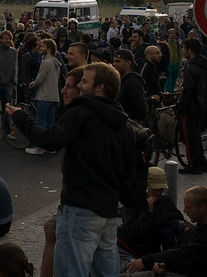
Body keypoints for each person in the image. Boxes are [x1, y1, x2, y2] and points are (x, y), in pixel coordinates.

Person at [10, 62, 137, 277]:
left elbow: (50, 140)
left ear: (100, 87)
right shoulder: (124, 126)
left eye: (84, 81)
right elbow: (127, 175)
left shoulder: (81, 114)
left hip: (80, 210)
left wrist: (21, 117)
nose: (79, 85)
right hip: (107, 213)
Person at [122, 186, 207, 277]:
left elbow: (183, 254)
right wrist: (163, 264)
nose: (185, 211)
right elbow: (177, 250)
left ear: (202, 208)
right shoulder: (198, 229)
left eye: (188, 207)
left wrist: (146, 261)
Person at [117, 167, 185, 265]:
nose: (158, 192)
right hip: (127, 248)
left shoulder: (165, 202)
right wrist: (148, 213)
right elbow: (132, 231)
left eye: (161, 189)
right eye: (155, 189)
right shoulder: (133, 203)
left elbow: (177, 219)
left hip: (149, 254)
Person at [178, 38, 207, 174]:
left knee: (189, 136)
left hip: (191, 106)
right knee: (196, 135)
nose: (183, 51)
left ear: (189, 50)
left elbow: (189, 89)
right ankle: (202, 162)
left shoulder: (191, 66)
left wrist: (181, 107)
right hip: (202, 105)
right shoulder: (205, 63)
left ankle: (193, 164)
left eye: (184, 49)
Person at [25, 38, 62, 155]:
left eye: (42, 47)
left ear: (49, 48)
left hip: (44, 96)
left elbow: (40, 79)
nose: (40, 48)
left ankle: (39, 147)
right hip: (54, 96)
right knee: (51, 123)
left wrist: (33, 84)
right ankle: (50, 147)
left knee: (40, 122)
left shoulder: (46, 62)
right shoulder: (56, 62)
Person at [0, 30, 17, 141]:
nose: (8, 41)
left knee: (7, 110)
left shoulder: (13, 52)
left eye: (9, 39)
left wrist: (14, 82)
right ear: (1, 39)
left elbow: (16, 68)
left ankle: (7, 132)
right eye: (6, 38)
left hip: (8, 85)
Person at [112, 49, 148, 124]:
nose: (114, 64)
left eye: (118, 61)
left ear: (128, 63)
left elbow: (141, 111)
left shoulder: (133, 83)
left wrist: (131, 126)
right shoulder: (119, 81)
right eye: (114, 61)